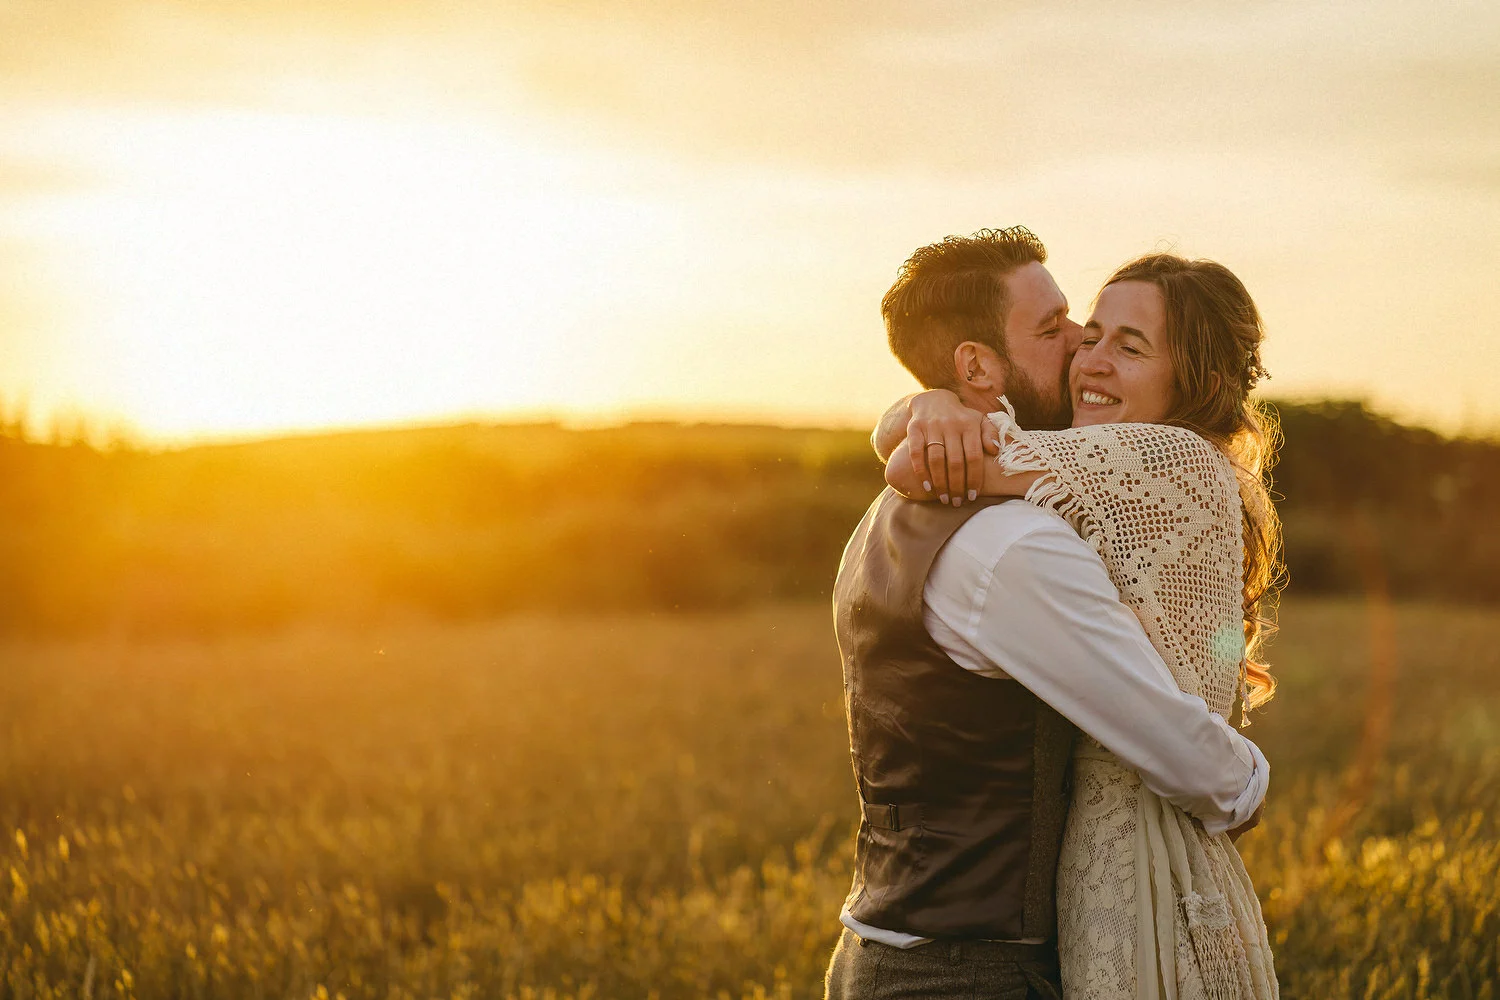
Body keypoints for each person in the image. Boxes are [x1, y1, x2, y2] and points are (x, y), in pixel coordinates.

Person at [826, 227, 1273, 999]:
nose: (1077, 349)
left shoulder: (888, 515)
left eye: (1109, 338)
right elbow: (1182, 752)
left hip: (887, 951)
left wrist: (925, 406)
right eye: (1055, 328)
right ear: (976, 365)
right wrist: (1251, 783)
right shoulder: (1016, 544)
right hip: (966, 974)